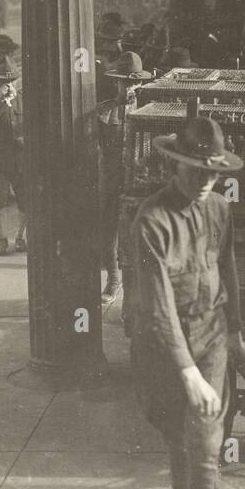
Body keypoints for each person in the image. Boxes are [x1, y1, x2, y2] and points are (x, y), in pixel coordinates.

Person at [129, 117, 245, 489]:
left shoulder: (220, 209)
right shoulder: (151, 221)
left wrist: (235, 332)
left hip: (212, 339)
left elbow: (228, 269)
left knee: (204, 450)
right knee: (178, 440)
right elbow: (158, 308)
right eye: (195, 171)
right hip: (165, 349)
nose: (204, 182)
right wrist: (187, 374)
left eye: (213, 173)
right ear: (175, 163)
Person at [98, 51, 152, 308]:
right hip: (111, 180)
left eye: (133, 83)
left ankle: (137, 291)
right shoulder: (105, 112)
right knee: (107, 234)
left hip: (139, 184)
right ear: (116, 83)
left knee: (138, 237)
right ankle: (113, 280)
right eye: (124, 82)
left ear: (140, 84)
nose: (128, 87)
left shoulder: (149, 110)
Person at [0, 70, 27, 255]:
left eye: (12, 81)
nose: (9, 85)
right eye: (4, 82)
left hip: (21, 158)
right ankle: (2, 238)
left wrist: (25, 138)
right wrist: (0, 101)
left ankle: (20, 236)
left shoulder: (25, 99)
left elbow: (34, 123)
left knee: (25, 199)